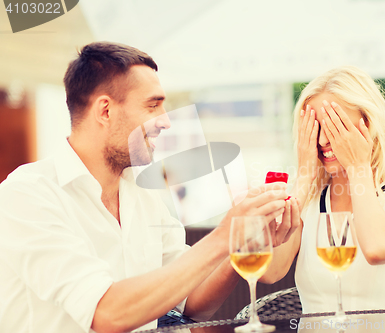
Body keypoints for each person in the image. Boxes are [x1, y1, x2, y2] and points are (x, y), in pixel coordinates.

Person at [0, 42, 300, 333]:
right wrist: (223, 235)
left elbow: (193, 302)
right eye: (152, 105)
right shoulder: (27, 195)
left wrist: (240, 244)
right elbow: (106, 315)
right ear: (105, 111)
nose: (166, 121)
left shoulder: (141, 195)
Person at [261, 66, 385, 313]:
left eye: (336, 126)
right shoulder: (309, 201)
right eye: (315, 128)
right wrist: (304, 178)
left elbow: (379, 249)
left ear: (369, 125)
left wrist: (358, 166)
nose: (324, 141)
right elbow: (269, 271)